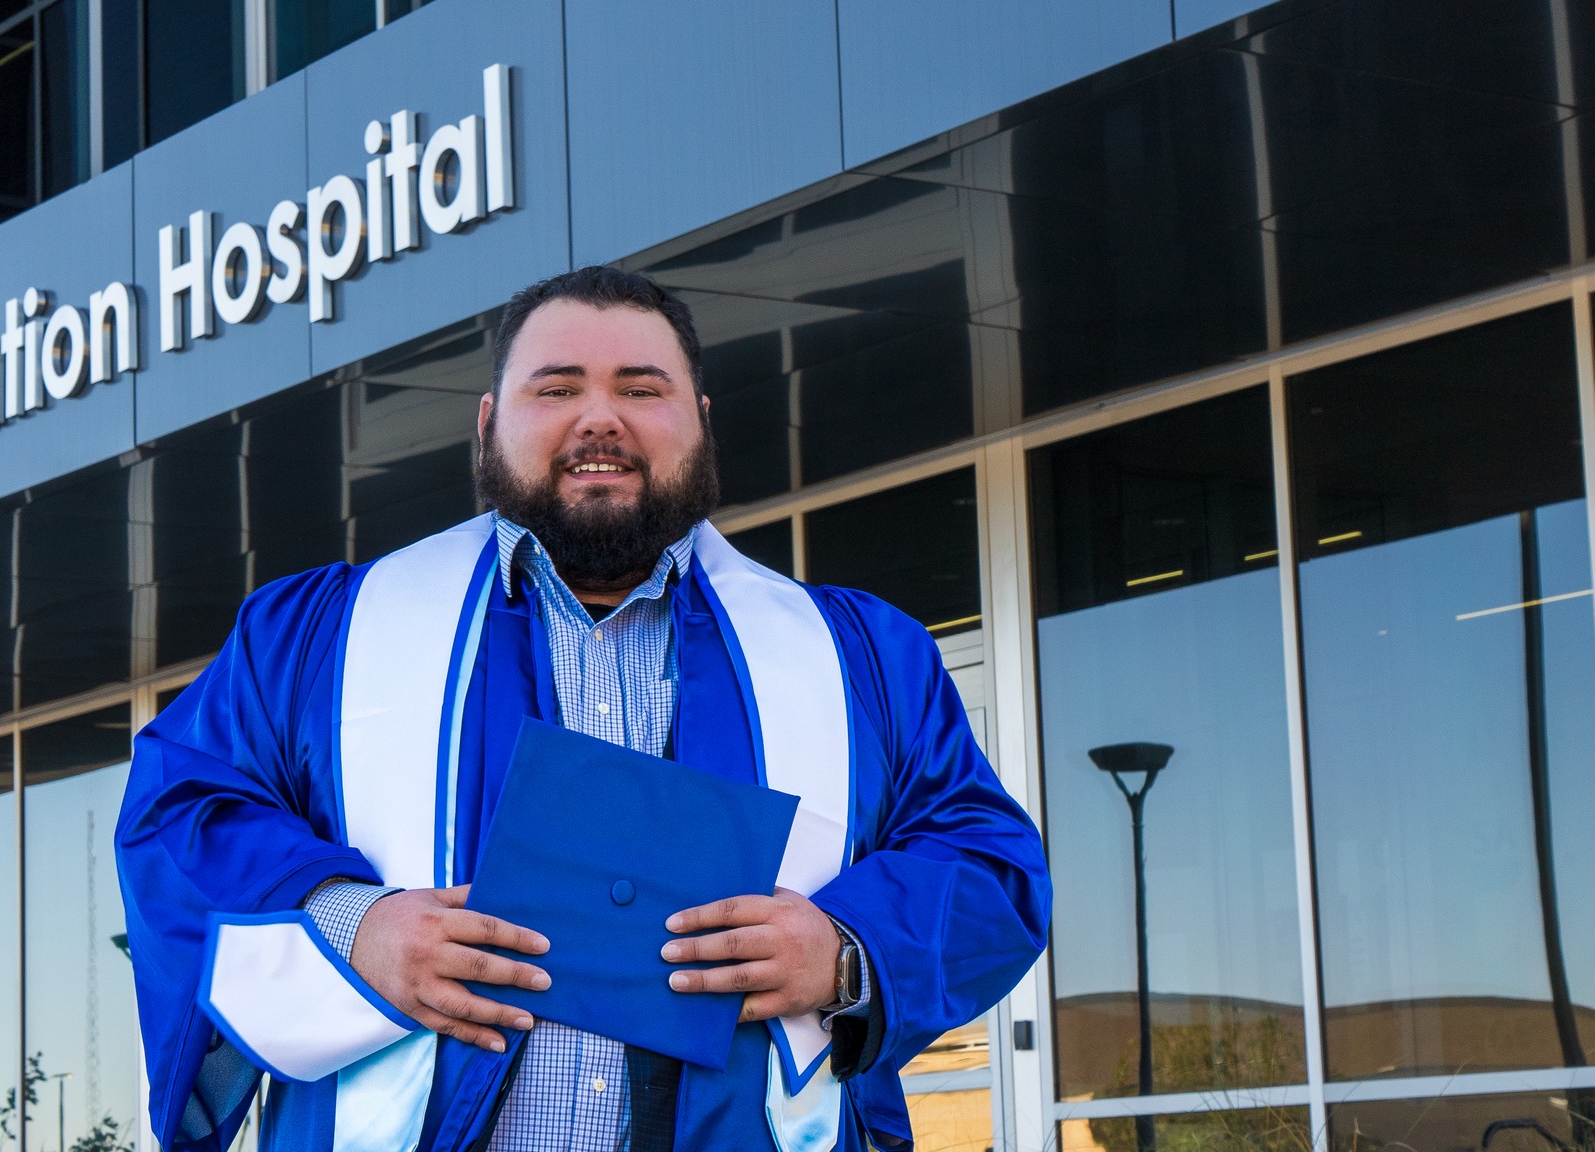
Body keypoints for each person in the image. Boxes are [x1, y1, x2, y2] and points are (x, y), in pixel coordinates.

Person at [117, 267, 1051, 1152]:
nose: (599, 418)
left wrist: (844, 951)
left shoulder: (862, 657)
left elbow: (988, 866)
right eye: (556, 388)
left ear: (700, 421)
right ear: (489, 423)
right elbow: (179, 811)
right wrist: (354, 924)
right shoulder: (317, 636)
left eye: (641, 389)